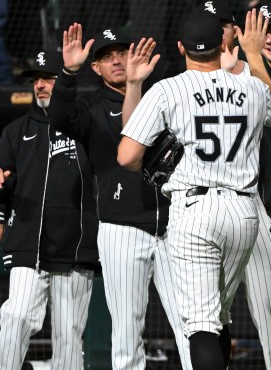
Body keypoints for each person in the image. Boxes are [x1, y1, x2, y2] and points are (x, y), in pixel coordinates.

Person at [117, 9, 271, 370]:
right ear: (224, 44)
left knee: (201, 324)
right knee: (219, 315)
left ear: (181, 47)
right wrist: (253, 60)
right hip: (244, 212)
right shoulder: (251, 87)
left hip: (195, 210)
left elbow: (127, 156)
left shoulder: (168, 89)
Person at [47, 26, 192, 369]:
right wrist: (68, 73)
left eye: (121, 53)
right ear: (95, 68)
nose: (115, 60)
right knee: (127, 332)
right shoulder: (90, 107)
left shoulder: (163, 97)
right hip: (122, 228)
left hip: (174, 225)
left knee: (191, 324)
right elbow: (59, 116)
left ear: (135, 56)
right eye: (106, 57)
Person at [0, 50, 99, 369]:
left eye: (49, 77)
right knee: (15, 316)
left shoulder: (85, 125)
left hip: (75, 247)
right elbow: (4, 187)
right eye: (36, 79)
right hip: (28, 246)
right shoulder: (14, 132)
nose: (41, 84)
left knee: (69, 336)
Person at [199, 0, 271, 370]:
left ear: (234, 29)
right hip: (199, 207)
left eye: (223, 23)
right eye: (210, 24)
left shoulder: (252, 71)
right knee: (209, 312)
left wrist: (251, 64)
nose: (217, 31)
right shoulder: (184, 78)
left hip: (252, 201)